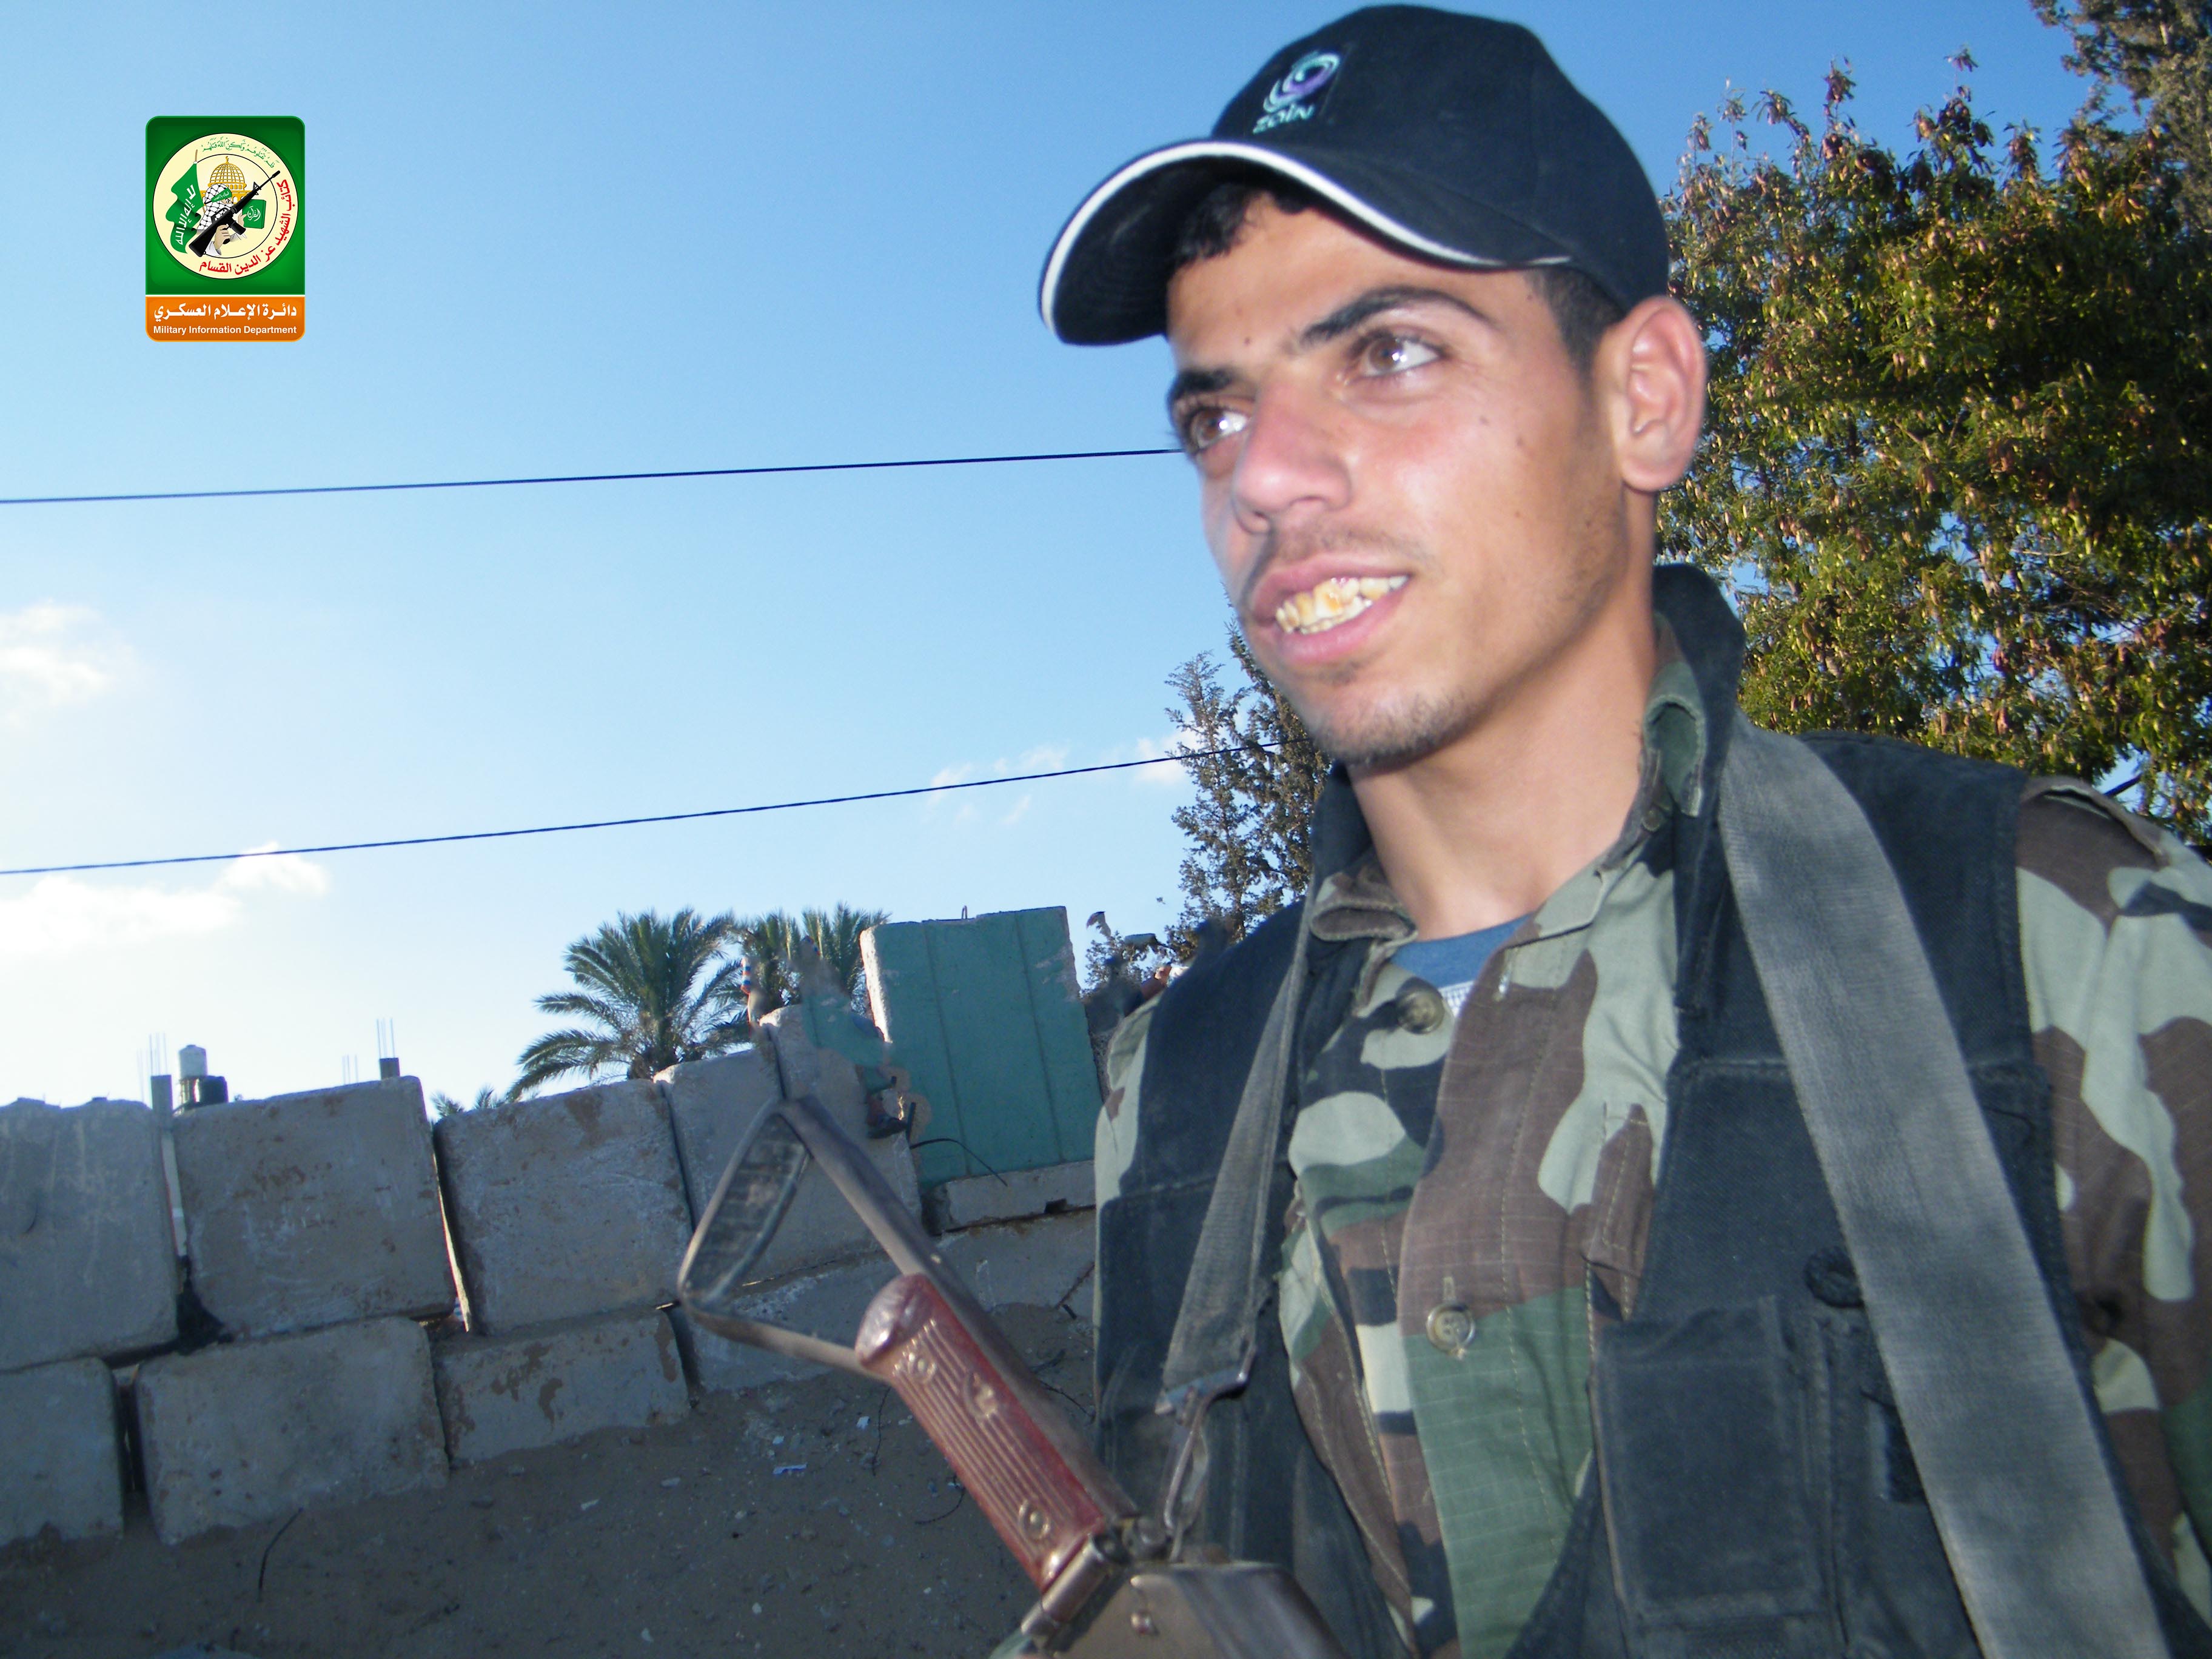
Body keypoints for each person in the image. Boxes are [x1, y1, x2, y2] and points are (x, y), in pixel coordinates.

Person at [1036, 8, 2212, 1657]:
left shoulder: (2048, 945)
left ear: (1644, 397)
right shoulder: (1170, 1091)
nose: (1265, 480)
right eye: (1214, 416)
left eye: (1389, 353)